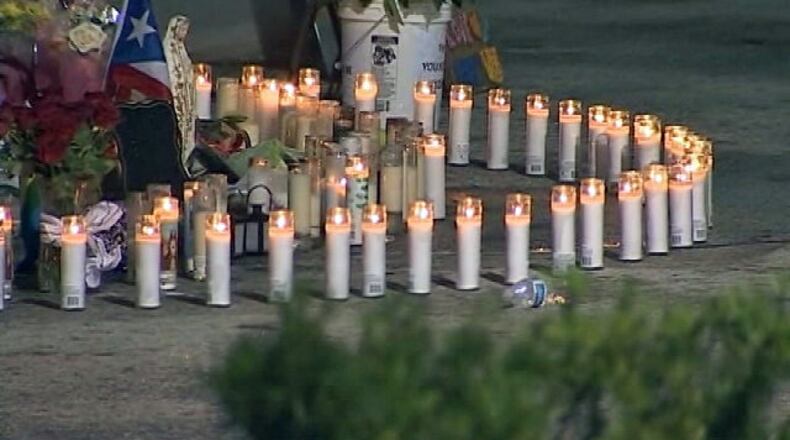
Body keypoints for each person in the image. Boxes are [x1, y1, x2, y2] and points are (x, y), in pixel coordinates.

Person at [163, 15, 197, 170]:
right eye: (181, 29)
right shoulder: (168, 51)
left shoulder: (182, 52)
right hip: (176, 98)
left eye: (185, 30)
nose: (183, 32)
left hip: (186, 98)